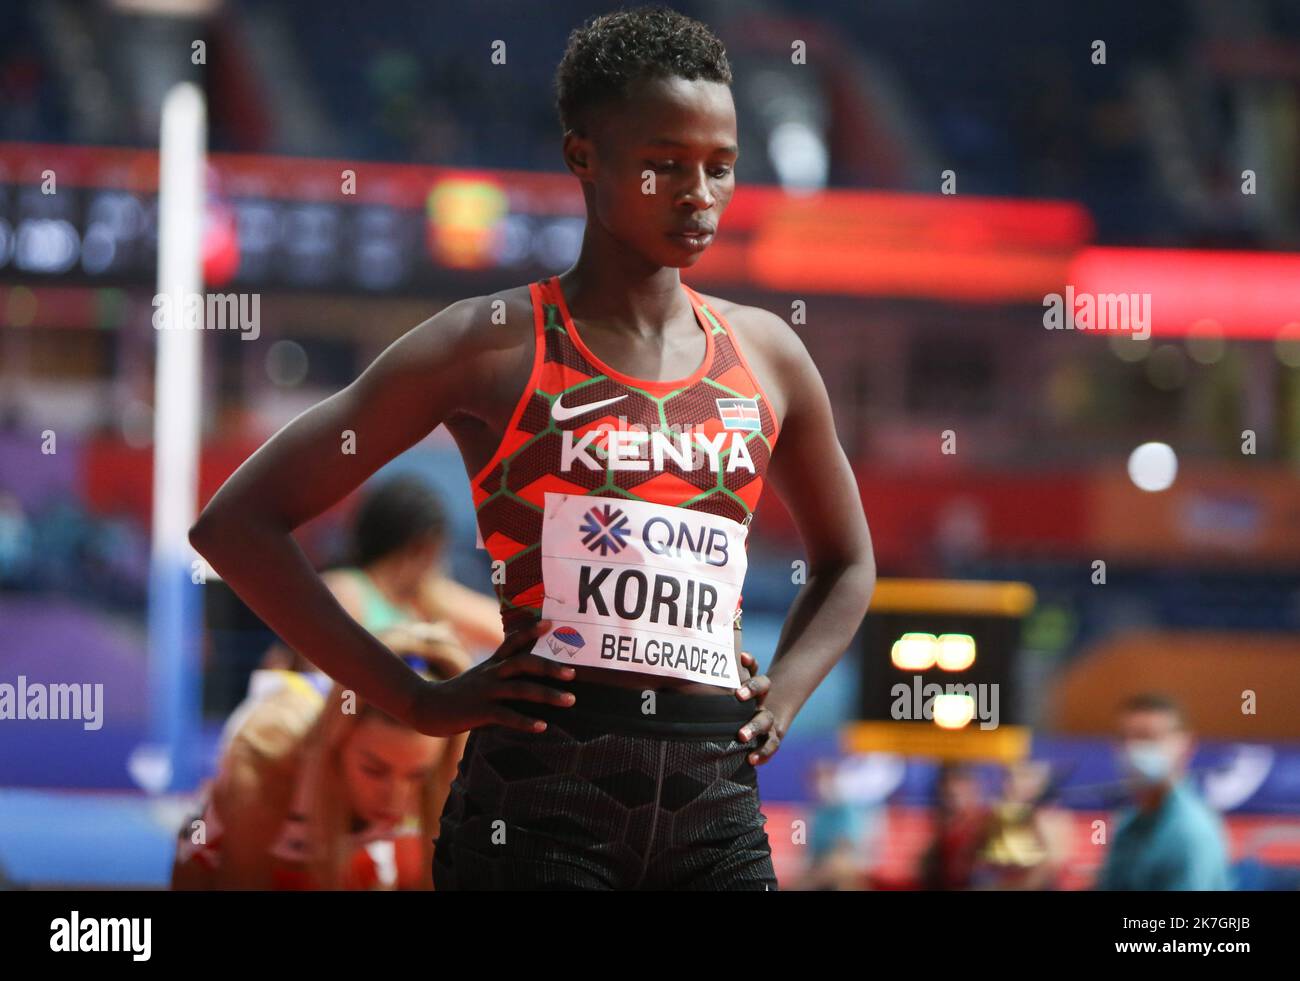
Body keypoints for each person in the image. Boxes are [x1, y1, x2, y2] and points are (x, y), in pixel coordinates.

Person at [189, 5, 875, 890]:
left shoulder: (769, 355)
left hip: (717, 808)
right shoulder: (492, 343)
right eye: (663, 164)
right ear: (582, 156)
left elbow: (848, 562)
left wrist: (783, 696)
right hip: (540, 806)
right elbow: (237, 525)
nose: (698, 194)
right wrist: (411, 697)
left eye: (720, 166)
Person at [172, 669, 467, 890]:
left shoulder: (451, 762)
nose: (394, 797)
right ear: (337, 748)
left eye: (417, 774)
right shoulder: (276, 758)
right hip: (233, 844)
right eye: (374, 770)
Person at [262, 474, 502, 672]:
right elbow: (323, 680)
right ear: (420, 549)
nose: (439, 564)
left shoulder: (425, 598)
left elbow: (502, 631)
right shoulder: (347, 590)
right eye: (436, 553)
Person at [1096, 693, 1233, 891]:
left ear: (1185, 744)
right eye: (1123, 738)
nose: (1131, 748)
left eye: (1147, 737)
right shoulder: (1128, 821)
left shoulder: (1190, 831)